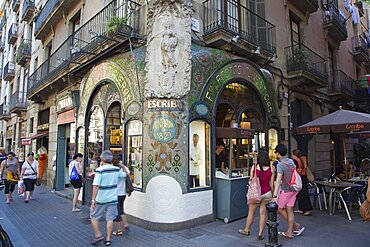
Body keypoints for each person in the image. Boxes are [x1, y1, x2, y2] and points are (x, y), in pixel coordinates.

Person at [90, 150, 126, 246]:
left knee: (94, 216)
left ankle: (98, 235)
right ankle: (108, 239)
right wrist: (123, 167)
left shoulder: (100, 170)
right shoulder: (116, 170)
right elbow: (124, 175)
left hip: (101, 198)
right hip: (113, 198)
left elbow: (96, 185)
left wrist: (93, 199)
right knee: (110, 219)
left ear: (102, 159)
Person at [239, 150, 275, 240]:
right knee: (263, 214)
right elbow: (271, 184)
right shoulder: (271, 169)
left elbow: (251, 181)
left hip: (256, 193)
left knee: (251, 212)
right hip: (267, 193)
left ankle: (246, 230)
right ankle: (260, 233)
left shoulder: (254, 167)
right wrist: (274, 195)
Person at [271, 144, 304, 239]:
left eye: (275, 152)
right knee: (289, 209)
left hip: (286, 190)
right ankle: (290, 231)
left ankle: (294, 225)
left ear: (278, 153)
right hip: (294, 189)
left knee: (280, 208)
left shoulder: (280, 165)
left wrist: (274, 196)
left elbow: (278, 181)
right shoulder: (290, 161)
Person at [292, 149, 312, 216]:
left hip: (299, 177)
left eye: (292, 154)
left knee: (302, 194)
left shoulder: (295, 161)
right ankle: (302, 209)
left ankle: (307, 209)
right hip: (303, 177)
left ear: (295, 155)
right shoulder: (301, 160)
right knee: (302, 193)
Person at [113, 161, 130, 237]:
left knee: (117, 212)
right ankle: (125, 224)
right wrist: (123, 167)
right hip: (123, 193)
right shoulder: (124, 169)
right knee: (121, 209)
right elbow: (127, 175)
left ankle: (119, 230)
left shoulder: (114, 171)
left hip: (116, 193)